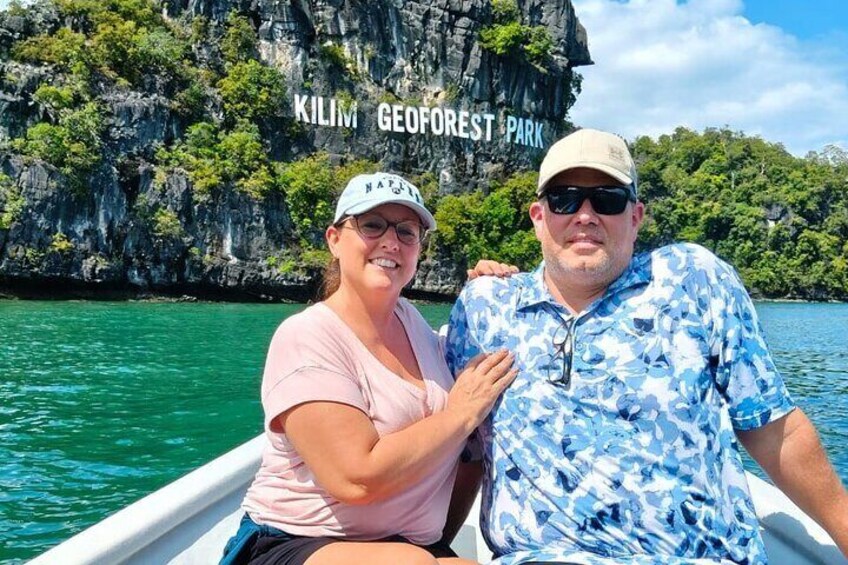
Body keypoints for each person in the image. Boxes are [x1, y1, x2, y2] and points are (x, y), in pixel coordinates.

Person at [446, 128, 848, 564]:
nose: (585, 215)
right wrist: (439, 547)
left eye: (607, 199)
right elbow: (469, 448)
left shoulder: (692, 279)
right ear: (539, 217)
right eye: (565, 199)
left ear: (635, 216)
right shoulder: (487, 307)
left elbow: (773, 429)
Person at [221, 172, 517, 565]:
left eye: (407, 231)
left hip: (403, 546)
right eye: (372, 225)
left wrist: (494, 293)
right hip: (294, 541)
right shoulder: (307, 337)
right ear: (334, 239)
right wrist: (460, 414)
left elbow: (466, 452)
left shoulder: (421, 331)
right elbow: (356, 479)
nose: (391, 241)